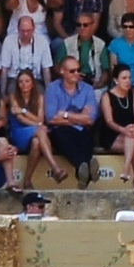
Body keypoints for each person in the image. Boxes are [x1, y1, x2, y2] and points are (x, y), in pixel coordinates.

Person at [47, 56, 100, 187]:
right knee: (62, 134)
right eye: (72, 71)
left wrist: (65, 114)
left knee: (86, 134)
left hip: (82, 129)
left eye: (78, 70)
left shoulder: (87, 89)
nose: (76, 74)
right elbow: (51, 118)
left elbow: (90, 119)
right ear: (62, 71)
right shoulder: (52, 88)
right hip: (61, 130)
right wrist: (79, 117)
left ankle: (82, 170)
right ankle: (86, 165)